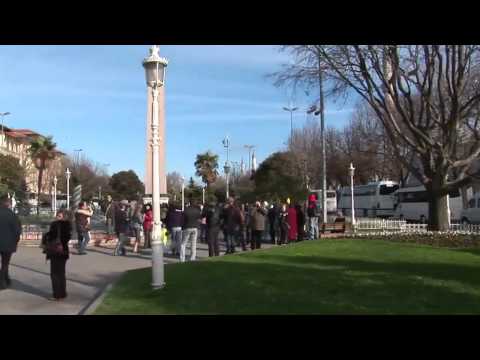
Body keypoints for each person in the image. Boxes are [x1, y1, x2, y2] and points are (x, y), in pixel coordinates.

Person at [42, 210, 71, 301]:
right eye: (57, 215)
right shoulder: (68, 226)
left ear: (63, 217)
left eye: (59, 216)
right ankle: (63, 293)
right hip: (64, 251)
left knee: (54, 274)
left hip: (55, 251)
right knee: (61, 273)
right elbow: (67, 238)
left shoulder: (55, 225)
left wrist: (46, 236)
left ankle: (57, 294)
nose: (57, 217)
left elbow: (51, 237)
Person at [0, 195, 22, 290]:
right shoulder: (13, 215)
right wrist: (15, 241)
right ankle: (3, 282)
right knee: (5, 263)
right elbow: (17, 231)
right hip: (8, 244)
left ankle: (5, 279)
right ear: (8, 204)